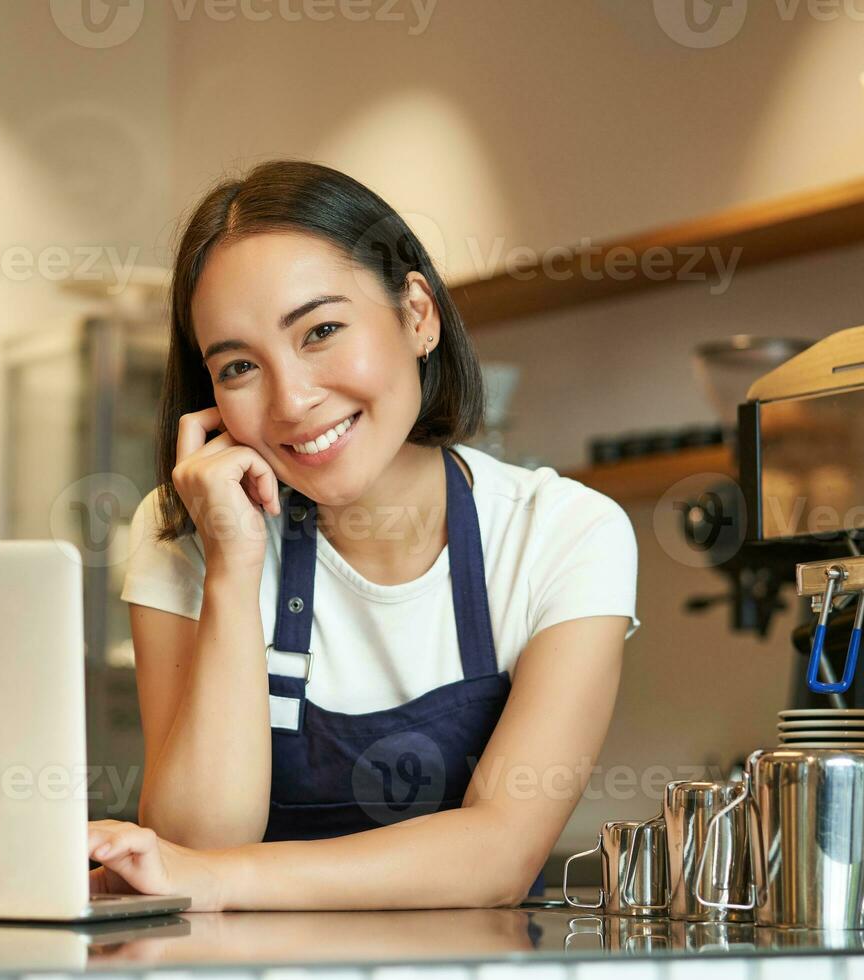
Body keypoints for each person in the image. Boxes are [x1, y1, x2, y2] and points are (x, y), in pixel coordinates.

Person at [87, 161, 639, 911]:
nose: (293, 401)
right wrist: (232, 566)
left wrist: (217, 877)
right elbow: (198, 840)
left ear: (418, 314)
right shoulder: (183, 530)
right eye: (240, 365)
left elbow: (499, 852)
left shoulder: (565, 534)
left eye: (320, 330)